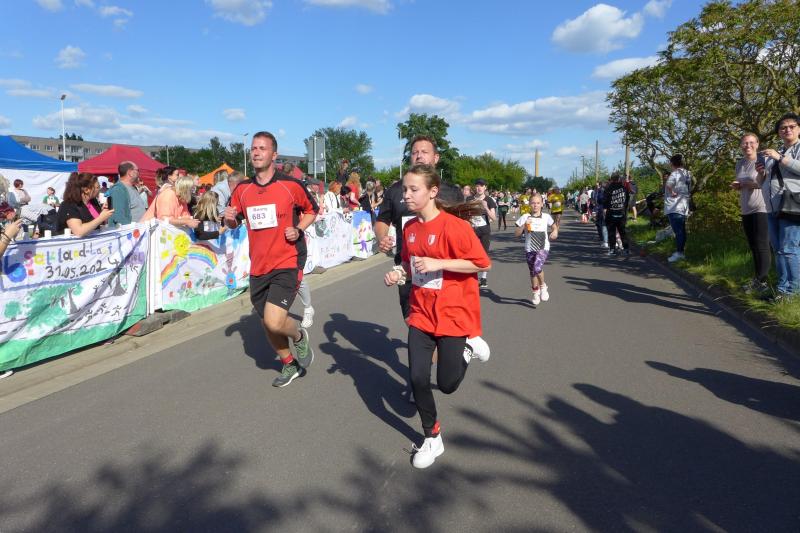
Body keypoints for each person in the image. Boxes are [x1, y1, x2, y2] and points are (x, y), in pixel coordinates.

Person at [383, 163, 491, 469]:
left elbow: (482, 263)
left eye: (413, 189)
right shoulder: (409, 228)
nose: (406, 195)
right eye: (405, 189)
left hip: (453, 314)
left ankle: (467, 348)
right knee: (417, 377)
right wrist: (398, 273)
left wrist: (439, 263)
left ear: (432, 192)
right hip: (421, 313)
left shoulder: (455, 227)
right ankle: (432, 436)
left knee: (447, 384)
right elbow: (409, 264)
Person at [223, 131, 319, 387]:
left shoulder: (290, 185)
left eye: (262, 148)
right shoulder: (242, 189)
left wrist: (298, 229)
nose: (256, 152)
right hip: (259, 265)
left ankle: (299, 336)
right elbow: (233, 222)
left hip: (287, 260)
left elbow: (312, 210)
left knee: (274, 320)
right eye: (253, 148)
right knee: (268, 323)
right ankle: (289, 364)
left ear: (274, 155)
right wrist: (229, 218)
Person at [757, 112, 800, 301]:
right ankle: (781, 290)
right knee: (778, 249)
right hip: (772, 207)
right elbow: (762, 182)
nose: (787, 129)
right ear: (779, 132)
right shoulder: (775, 152)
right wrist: (760, 174)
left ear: (799, 129)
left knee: (789, 248)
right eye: (783, 128)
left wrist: (780, 158)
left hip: (792, 205)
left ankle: (793, 292)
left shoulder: (787, 152)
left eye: (791, 126)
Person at [731, 133, 770, 295]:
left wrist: (745, 184)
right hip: (746, 208)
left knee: (762, 245)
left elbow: (764, 183)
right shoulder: (740, 163)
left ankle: (763, 281)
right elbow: (742, 183)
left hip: (762, 207)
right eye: (745, 143)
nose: (748, 146)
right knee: (753, 245)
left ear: (757, 144)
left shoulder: (763, 160)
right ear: (741, 145)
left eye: (751, 142)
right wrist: (738, 185)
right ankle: (757, 279)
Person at [515, 192, 558, 305]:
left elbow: (554, 227)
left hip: (543, 247)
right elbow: (517, 234)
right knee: (532, 271)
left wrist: (555, 232)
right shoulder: (525, 217)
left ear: (542, 204)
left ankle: (543, 286)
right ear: (529, 204)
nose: (535, 205)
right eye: (533, 203)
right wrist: (524, 225)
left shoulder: (546, 216)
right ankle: (535, 292)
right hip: (529, 248)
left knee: (537, 267)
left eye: (538, 203)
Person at [56, 172, 114, 236]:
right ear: (86, 190)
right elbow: (79, 232)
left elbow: (98, 224)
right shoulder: (68, 205)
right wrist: (101, 218)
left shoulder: (93, 201)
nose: (99, 189)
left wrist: (104, 214)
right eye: (97, 187)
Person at [467, 178, 496, 288]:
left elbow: (494, 218)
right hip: (472, 230)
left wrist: (486, 208)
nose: (479, 188)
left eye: (481, 186)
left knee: (484, 253)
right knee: (470, 253)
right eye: (477, 185)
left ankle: (483, 278)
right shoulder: (469, 199)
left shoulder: (489, 200)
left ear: (485, 187)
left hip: (484, 230)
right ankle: (471, 276)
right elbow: (464, 214)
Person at [664, 154, 692, 262]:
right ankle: (681, 252)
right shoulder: (687, 173)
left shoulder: (675, 173)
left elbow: (668, 185)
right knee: (682, 231)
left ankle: (679, 253)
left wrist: (672, 192)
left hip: (674, 206)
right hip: (684, 205)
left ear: (672, 163)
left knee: (678, 231)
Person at [107, 161, 147, 227]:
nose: (138, 173)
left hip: (139, 229)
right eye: (137, 170)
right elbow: (119, 217)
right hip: (130, 231)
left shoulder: (132, 187)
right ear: (130, 173)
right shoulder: (118, 189)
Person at [603, 173, 630, 256]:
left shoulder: (608, 188)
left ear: (611, 179)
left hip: (611, 214)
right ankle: (626, 249)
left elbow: (605, 201)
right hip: (621, 213)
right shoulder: (624, 188)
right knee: (622, 232)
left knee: (611, 232)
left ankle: (612, 249)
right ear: (619, 179)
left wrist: (606, 209)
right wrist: (623, 209)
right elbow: (627, 200)